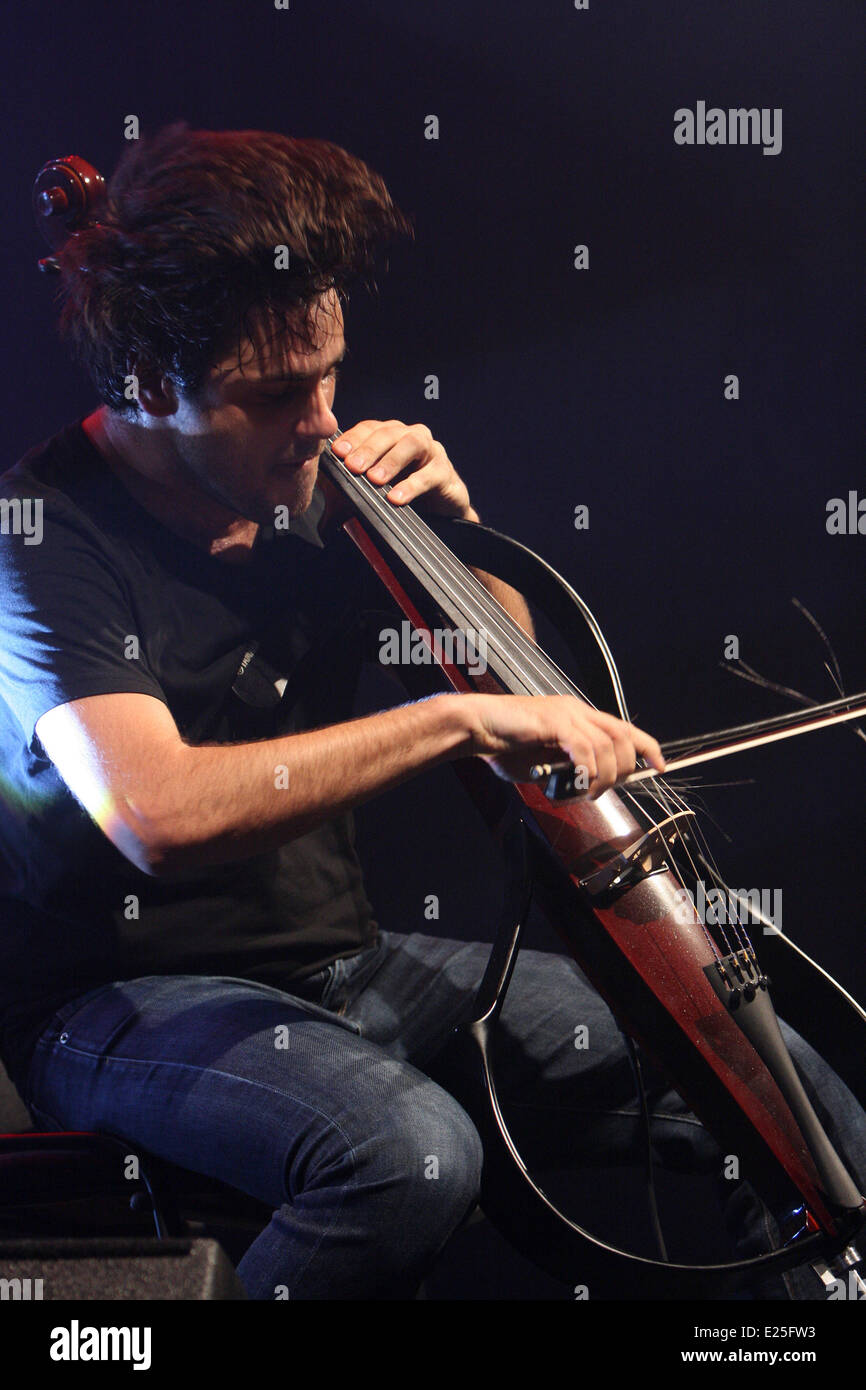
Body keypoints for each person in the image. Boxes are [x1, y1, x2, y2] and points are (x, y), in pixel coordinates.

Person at [0, 123, 862, 1300]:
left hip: (342, 968)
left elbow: (504, 697)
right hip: (114, 1001)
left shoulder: (313, 488)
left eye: (328, 375)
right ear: (149, 386)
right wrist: (449, 729)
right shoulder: (41, 535)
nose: (317, 422)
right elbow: (155, 810)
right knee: (403, 1158)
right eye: (271, 395)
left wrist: (446, 548)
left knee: (780, 1087)